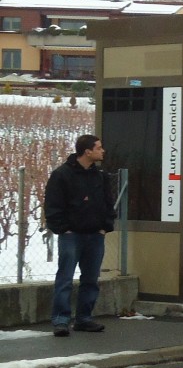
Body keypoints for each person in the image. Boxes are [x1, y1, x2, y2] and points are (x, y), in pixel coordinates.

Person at [44, 134, 116, 337]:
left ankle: (84, 318)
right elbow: (52, 204)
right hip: (71, 235)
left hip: (95, 235)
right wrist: (63, 228)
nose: (103, 151)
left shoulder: (100, 176)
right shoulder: (62, 175)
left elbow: (108, 203)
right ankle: (60, 320)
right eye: (99, 148)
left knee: (90, 279)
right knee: (65, 278)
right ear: (87, 151)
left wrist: (105, 226)